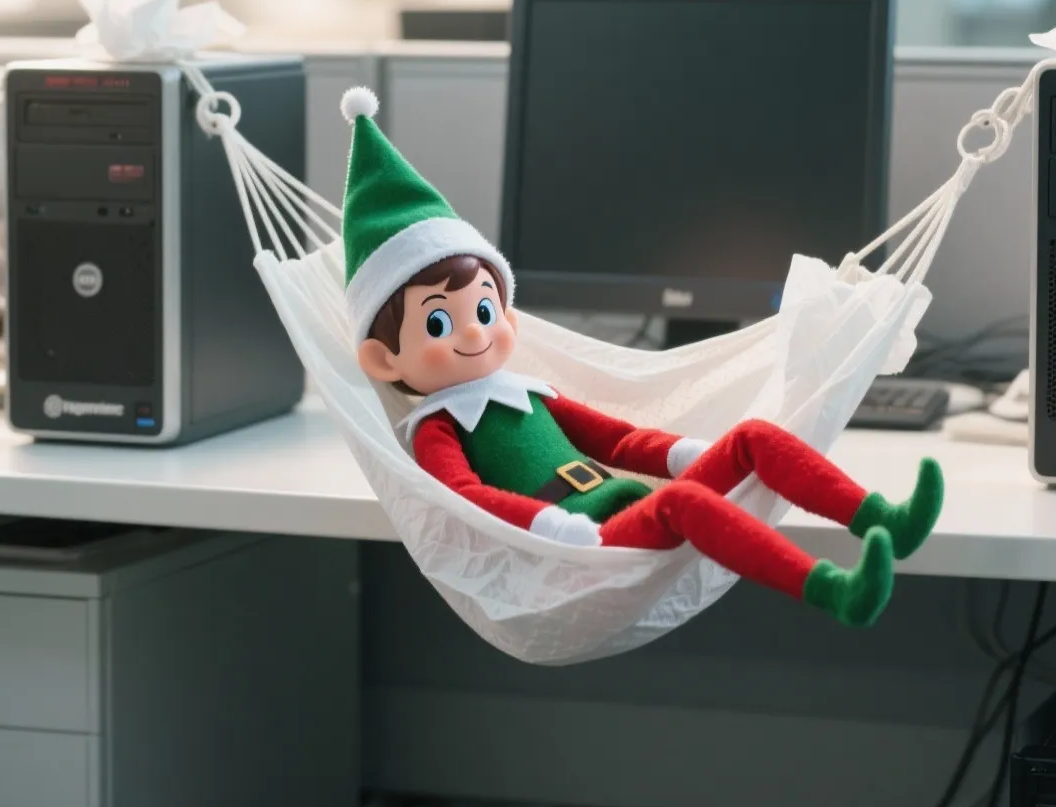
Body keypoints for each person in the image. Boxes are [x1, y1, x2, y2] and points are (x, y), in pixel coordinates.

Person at [338, 88, 940, 627]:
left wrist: (681, 454)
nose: (474, 332)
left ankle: (882, 516)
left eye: (486, 309)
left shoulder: (527, 393)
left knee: (753, 436)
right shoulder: (435, 429)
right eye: (440, 322)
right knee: (687, 504)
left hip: (626, 503)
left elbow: (620, 443)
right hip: (585, 542)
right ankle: (834, 589)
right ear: (382, 359)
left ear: (509, 317)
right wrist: (547, 526)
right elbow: (465, 496)